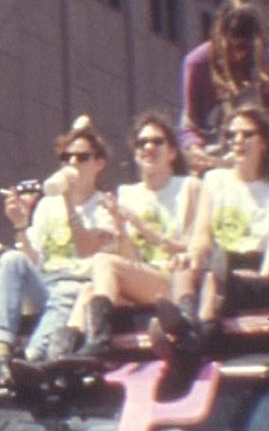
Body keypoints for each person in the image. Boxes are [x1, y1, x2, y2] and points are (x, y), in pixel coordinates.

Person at [0, 118, 119, 383]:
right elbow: (34, 258)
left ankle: (31, 358)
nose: (73, 163)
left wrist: (69, 201)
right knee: (11, 259)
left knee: (67, 289)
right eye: (66, 158)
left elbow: (90, 249)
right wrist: (21, 225)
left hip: (78, 287)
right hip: (46, 285)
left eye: (82, 157)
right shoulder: (48, 205)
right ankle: (0, 353)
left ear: (99, 163)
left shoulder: (105, 206)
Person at [71, 110, 201, 345]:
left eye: (157, 141)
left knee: (103, 262)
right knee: (88, 290)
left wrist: (141, 226)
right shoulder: (127, 194)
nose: (148, 147)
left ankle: (98, 342)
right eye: (142, 143)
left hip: (175, 281)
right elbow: (129, 260)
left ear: (172, 152)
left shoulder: (189, 187)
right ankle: (65, 352)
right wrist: (121, 228)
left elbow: (190, 249)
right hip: (142, 280)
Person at [170, 104, 269, 328]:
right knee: (184, 269)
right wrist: (192, 255)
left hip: (256, 267)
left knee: (215, 277)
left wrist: (262, 277)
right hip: (218, 262)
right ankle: (185, 322)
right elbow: (202, 236)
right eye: (232, 135)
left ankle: (194, 331)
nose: (238, 140)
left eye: (247, 134)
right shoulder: (214, 180)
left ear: (264, 142)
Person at [177, 0, 269, 172]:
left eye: (244, 47)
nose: (237, 55)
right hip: (214, 161)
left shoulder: (268, 62)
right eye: (230, 47)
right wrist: (195, 149)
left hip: (258, 162)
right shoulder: (197, 63)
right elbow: (189, 125)